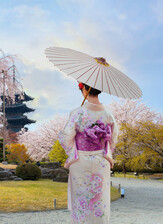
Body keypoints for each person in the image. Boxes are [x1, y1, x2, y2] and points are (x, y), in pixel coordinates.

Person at [59, 82, 118, 224]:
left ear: (85, 89)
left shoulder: (78, 112)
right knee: (100, 199)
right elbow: (113, 140)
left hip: (80, 160)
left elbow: (66, 137)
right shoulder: (108, 114)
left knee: (81, 201)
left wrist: (73, 149)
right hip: (101, 160)